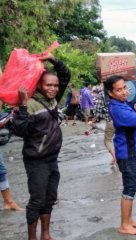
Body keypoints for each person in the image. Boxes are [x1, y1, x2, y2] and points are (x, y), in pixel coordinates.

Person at [12, 53, 71, 240]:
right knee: (37, 200)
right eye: (48, 85)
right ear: (38, 85)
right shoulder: (30, 104)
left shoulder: (53, 100)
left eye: (55, 85)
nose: (53, 88)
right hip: (36, 161)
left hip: (52, 159)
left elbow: (65, 75)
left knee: (50, 198)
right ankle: (32, 238)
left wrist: (53, 60)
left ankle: (46, 234)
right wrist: (22, 105)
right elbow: (20, 130)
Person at [105, 75, 136, 235]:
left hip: (133, 151)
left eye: (124, 87)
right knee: (130, 187)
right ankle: (124, 225)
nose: (124, 92)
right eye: (118, 90)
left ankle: (129, 219)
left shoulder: (122, 103)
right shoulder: (118, 109)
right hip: (127, 153)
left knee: (133, 185)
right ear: (110, 93)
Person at [93, 85, 116, 167]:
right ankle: (116, 158)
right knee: (118, 139)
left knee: (107, 141)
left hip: (110, 120)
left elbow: (97, 109)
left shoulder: (102, 94)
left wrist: (94, 119)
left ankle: (115, 157)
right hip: (120, 119)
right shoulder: (116, 91)